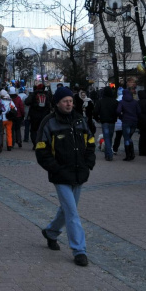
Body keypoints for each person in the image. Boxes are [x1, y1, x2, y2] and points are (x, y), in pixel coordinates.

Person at [36, 87, 96, 267]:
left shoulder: (80, 120)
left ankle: (51, 232)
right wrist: (55, 168)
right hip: (61, 175)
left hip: (79, 172)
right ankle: (79, 250)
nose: (69, 104)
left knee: (67, 209)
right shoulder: (49, 123)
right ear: (57, 103)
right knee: (72, 212)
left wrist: (88, 163)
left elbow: (91, 143)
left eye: (70, 100)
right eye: (65, 101)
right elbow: (41, 150)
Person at [94, 87, 119, 161]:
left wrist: (97, 119)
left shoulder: (100, 101)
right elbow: (118, 111)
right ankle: (108, 153)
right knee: (110, 137)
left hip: (104, 121)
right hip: (112, 121)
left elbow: (95, 111)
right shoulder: (115, 101)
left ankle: (109, 154)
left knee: (106, 137)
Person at [116, 89, 141, 161]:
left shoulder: (122, 102)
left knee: (126, 138)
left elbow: (118, 111)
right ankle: (131, 153)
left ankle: (128, 155)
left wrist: (121, 117)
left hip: (126, 120)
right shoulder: (135, 102)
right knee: (129, 136)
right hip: (134, 121)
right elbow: (139, 111)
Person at [25, 83, 50, 149]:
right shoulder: (46, 95)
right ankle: (42, 144)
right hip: (44, 116)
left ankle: (35, 144)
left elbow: (27, 102)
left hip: (34, 116)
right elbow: (49, 106)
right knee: (42, 130)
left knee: (33, 130)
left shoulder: (33, 94)